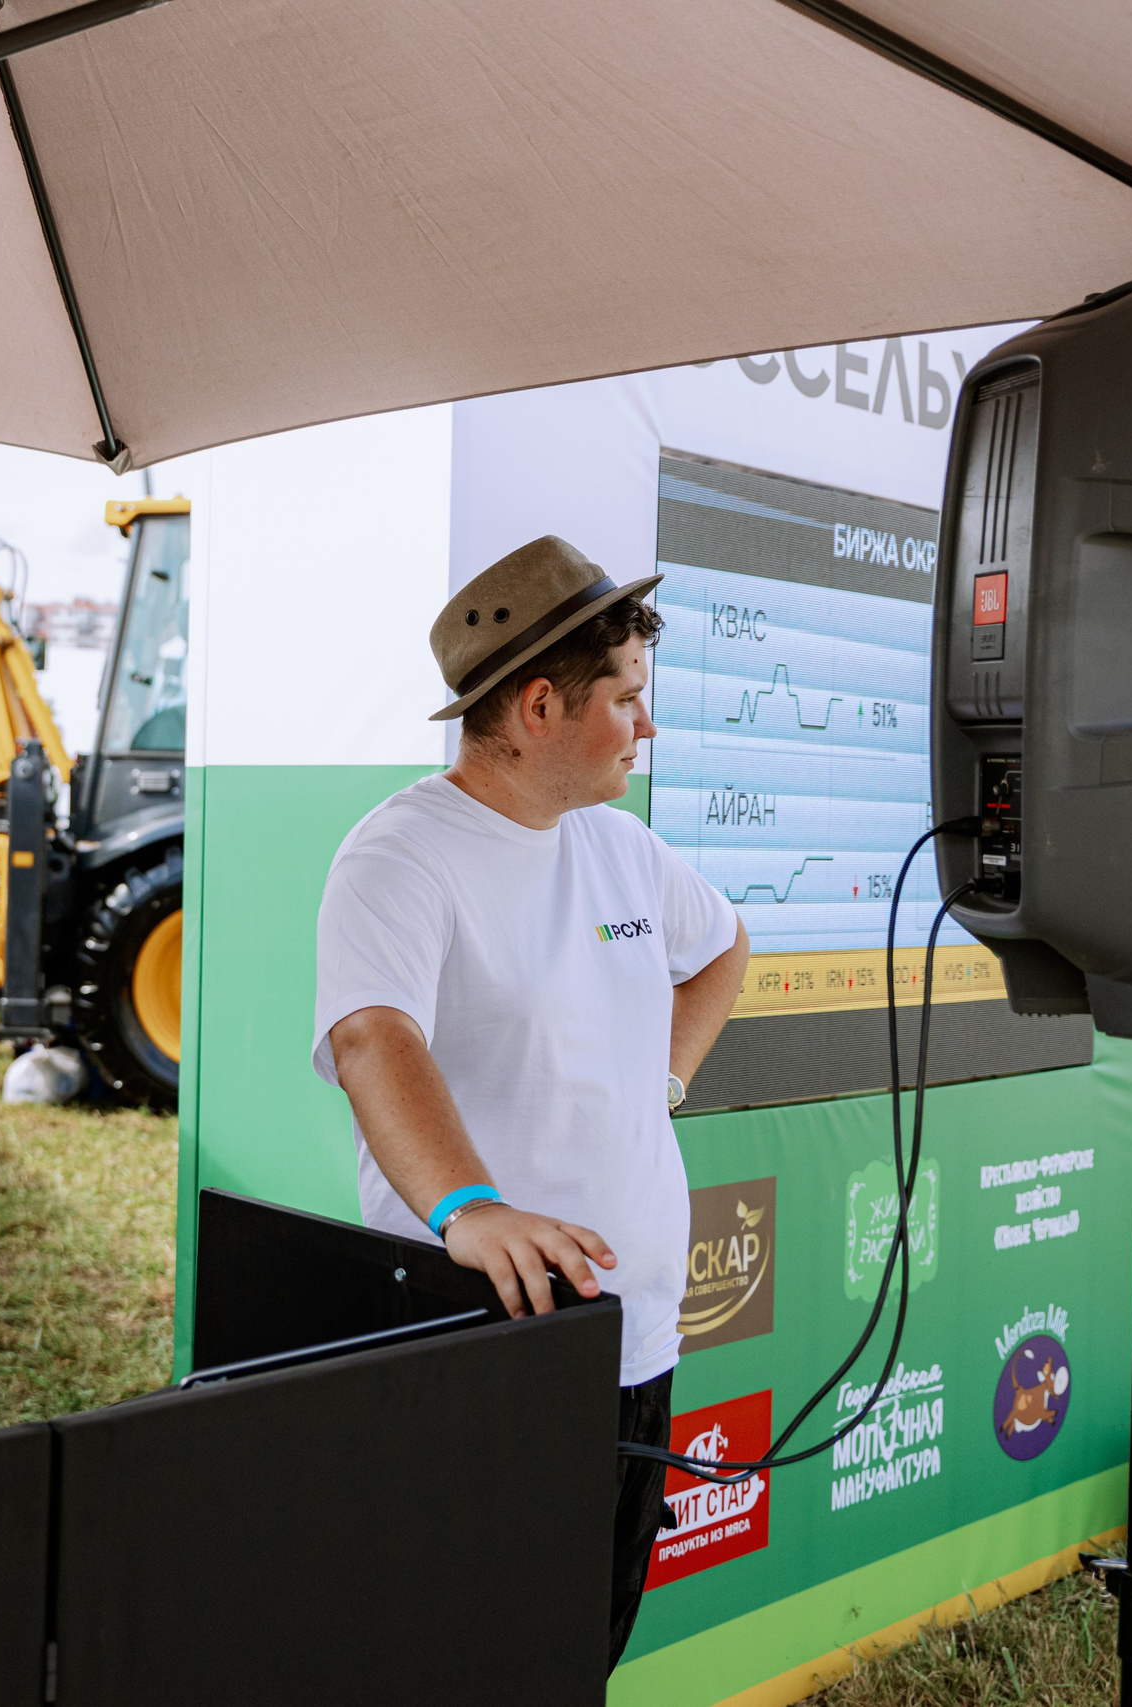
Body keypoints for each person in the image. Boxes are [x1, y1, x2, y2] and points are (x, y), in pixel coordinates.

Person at [312, 534, 749, 1668]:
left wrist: (662, 1081)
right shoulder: (399, 856)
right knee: (460, 1659)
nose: (644, 728)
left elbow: (721, 950)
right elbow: (372, 1037)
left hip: (634, 1342)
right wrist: (472, 1207)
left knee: (579, 1656)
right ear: (542, 705)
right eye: (627, 701)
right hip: (480, 1348)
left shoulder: (621, 847)